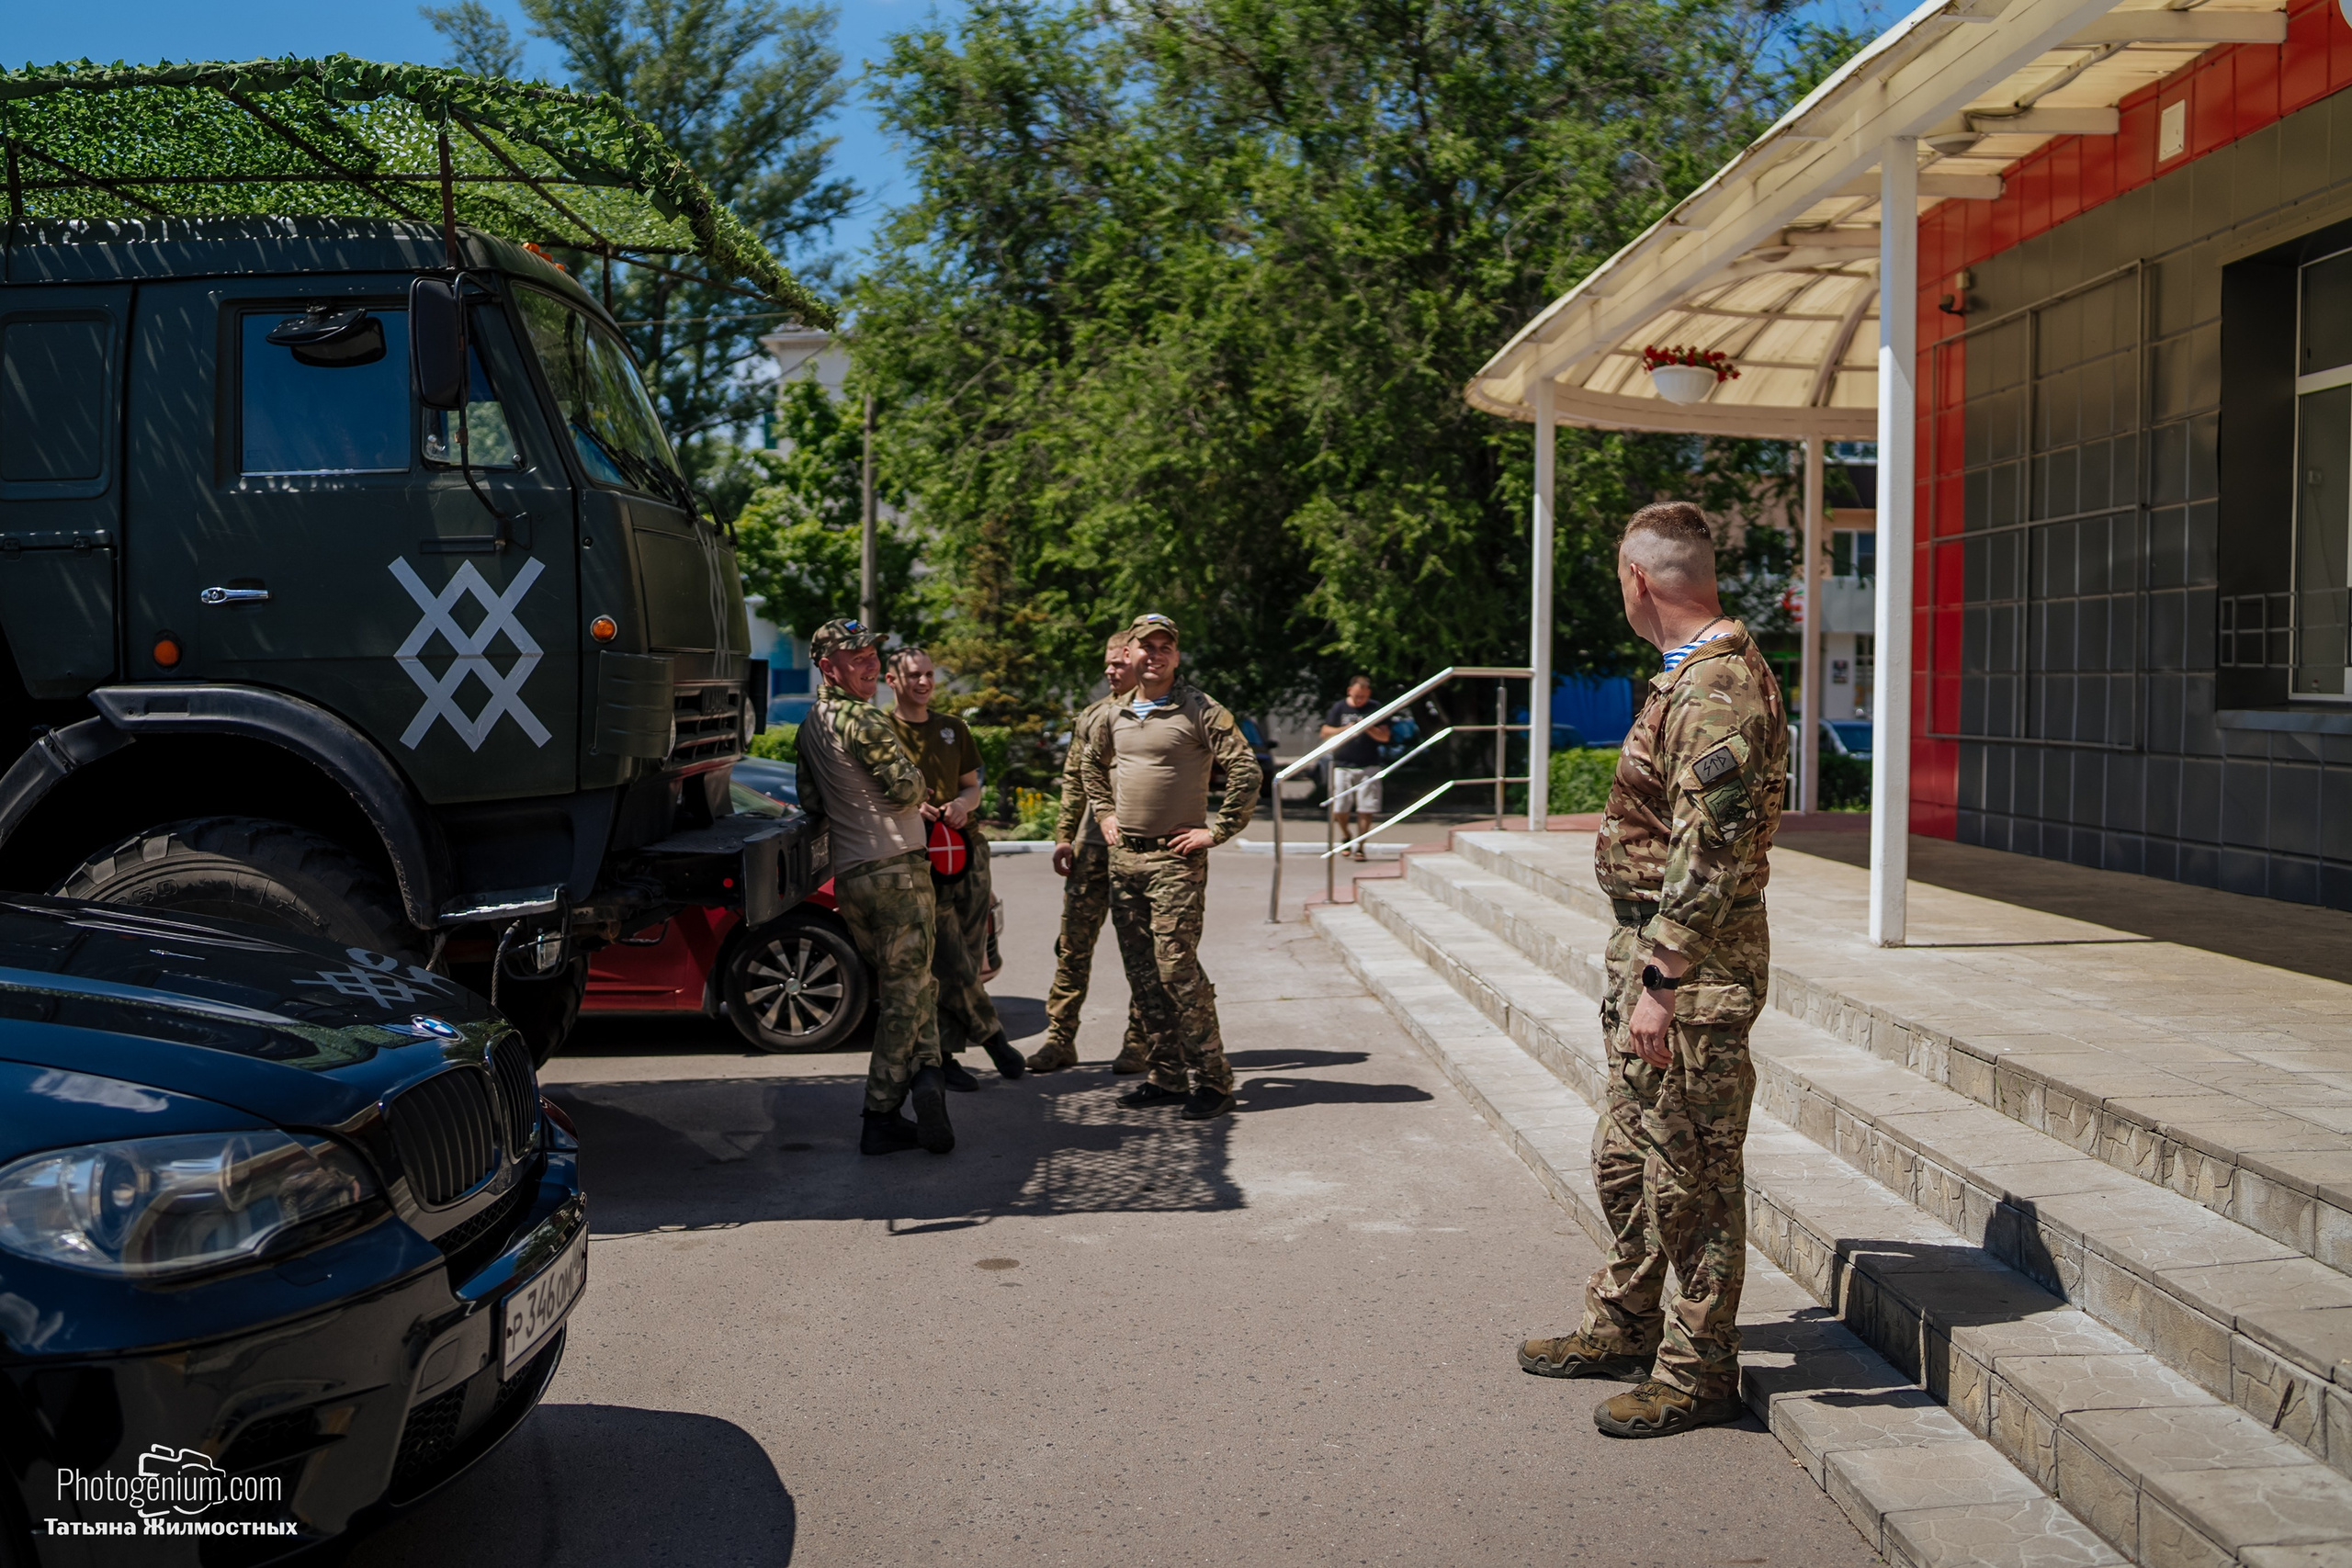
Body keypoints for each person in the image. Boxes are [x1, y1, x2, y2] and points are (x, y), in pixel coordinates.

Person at [1516, 502, 1788, 1438]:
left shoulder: (1716, 689)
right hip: (1653, 957)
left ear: (1638, 581)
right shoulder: (1689, 677)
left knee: (1692, 1177)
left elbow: (1710, 849)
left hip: (1692, 971)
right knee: (1627, 1157)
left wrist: (1664, 979)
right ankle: (1626, 1321)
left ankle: (1696, 1370)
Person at [1080, 613, 1261, 1120]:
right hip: (1126, 860)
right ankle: (1166, 1076)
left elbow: (1246, 769)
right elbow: (1089, 763)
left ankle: (1214, 1080)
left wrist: (1218, 830)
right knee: (1143, 975)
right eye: (1147, 646)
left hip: (1175, 861)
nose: (1155, 654)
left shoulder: (1201, 709)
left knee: (1177, 969)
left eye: (1166, 647)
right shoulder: (1112, 715)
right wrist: (1105, 812)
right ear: (1131, 653)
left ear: (1176, 656)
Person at [796, 618, 955, 1157]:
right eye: (853, 655)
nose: (867, 661)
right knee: (905, 994)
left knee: (912, 984)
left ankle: (929, 1075)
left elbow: (812, 803)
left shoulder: (811, 723)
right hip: (896, 871)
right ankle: (882, 1112)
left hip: (854, 877)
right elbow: (907, 788)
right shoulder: (861, 719)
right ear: (828, 666)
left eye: (869, 652)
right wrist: (919, 778)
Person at [887, 646, 1025, 1087]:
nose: (924, 683)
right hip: (918, 857)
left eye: (929, 674)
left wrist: (963, 805)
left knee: (965, 954)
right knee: (941, 955)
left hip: (966, 850)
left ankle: (946, 1057)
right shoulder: (881, 733)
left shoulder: (952, 729)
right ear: (893, 680)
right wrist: (913, 810)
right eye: (913, 675)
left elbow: (972, 787)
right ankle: (990, 1035)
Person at [1028, 631, 1156, 1075]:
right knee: (1072, 948)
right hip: (1092, 849)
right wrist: (1065, 835)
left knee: (1139, 950)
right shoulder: (1093, 715)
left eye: (1118, 663)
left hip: (1138, 852)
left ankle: (1140, 1042)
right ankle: (1060, 1039)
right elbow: (1074, 779)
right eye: (1107, 663)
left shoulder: (1155, 715)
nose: (1109, 670)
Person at [1319, 674, 1392, 860]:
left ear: (1369, 694)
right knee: (1340, 807)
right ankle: (1346, 835)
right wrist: (1346, 729)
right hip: (1343, 765)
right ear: (1349, 691)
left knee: (1366, 808)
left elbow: (1385, 737)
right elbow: (1325, 732)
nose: (1360, 700)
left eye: (1364, 697)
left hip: (1369, 764)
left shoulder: (1375, 708)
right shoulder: (1339, 708)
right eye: (1357, 696)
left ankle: (1360, 845)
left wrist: (1367, 727)